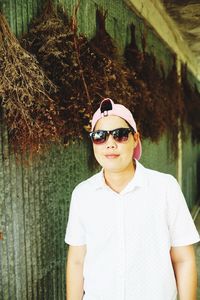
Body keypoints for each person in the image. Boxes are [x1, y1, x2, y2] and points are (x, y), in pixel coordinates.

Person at [65, 98, 200, 300]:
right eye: (100, 136)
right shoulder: (82, 194)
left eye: (119, 135)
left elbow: (183, 260)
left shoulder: (165, 188)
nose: (110, 144)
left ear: (135, 138)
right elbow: (76, 261)